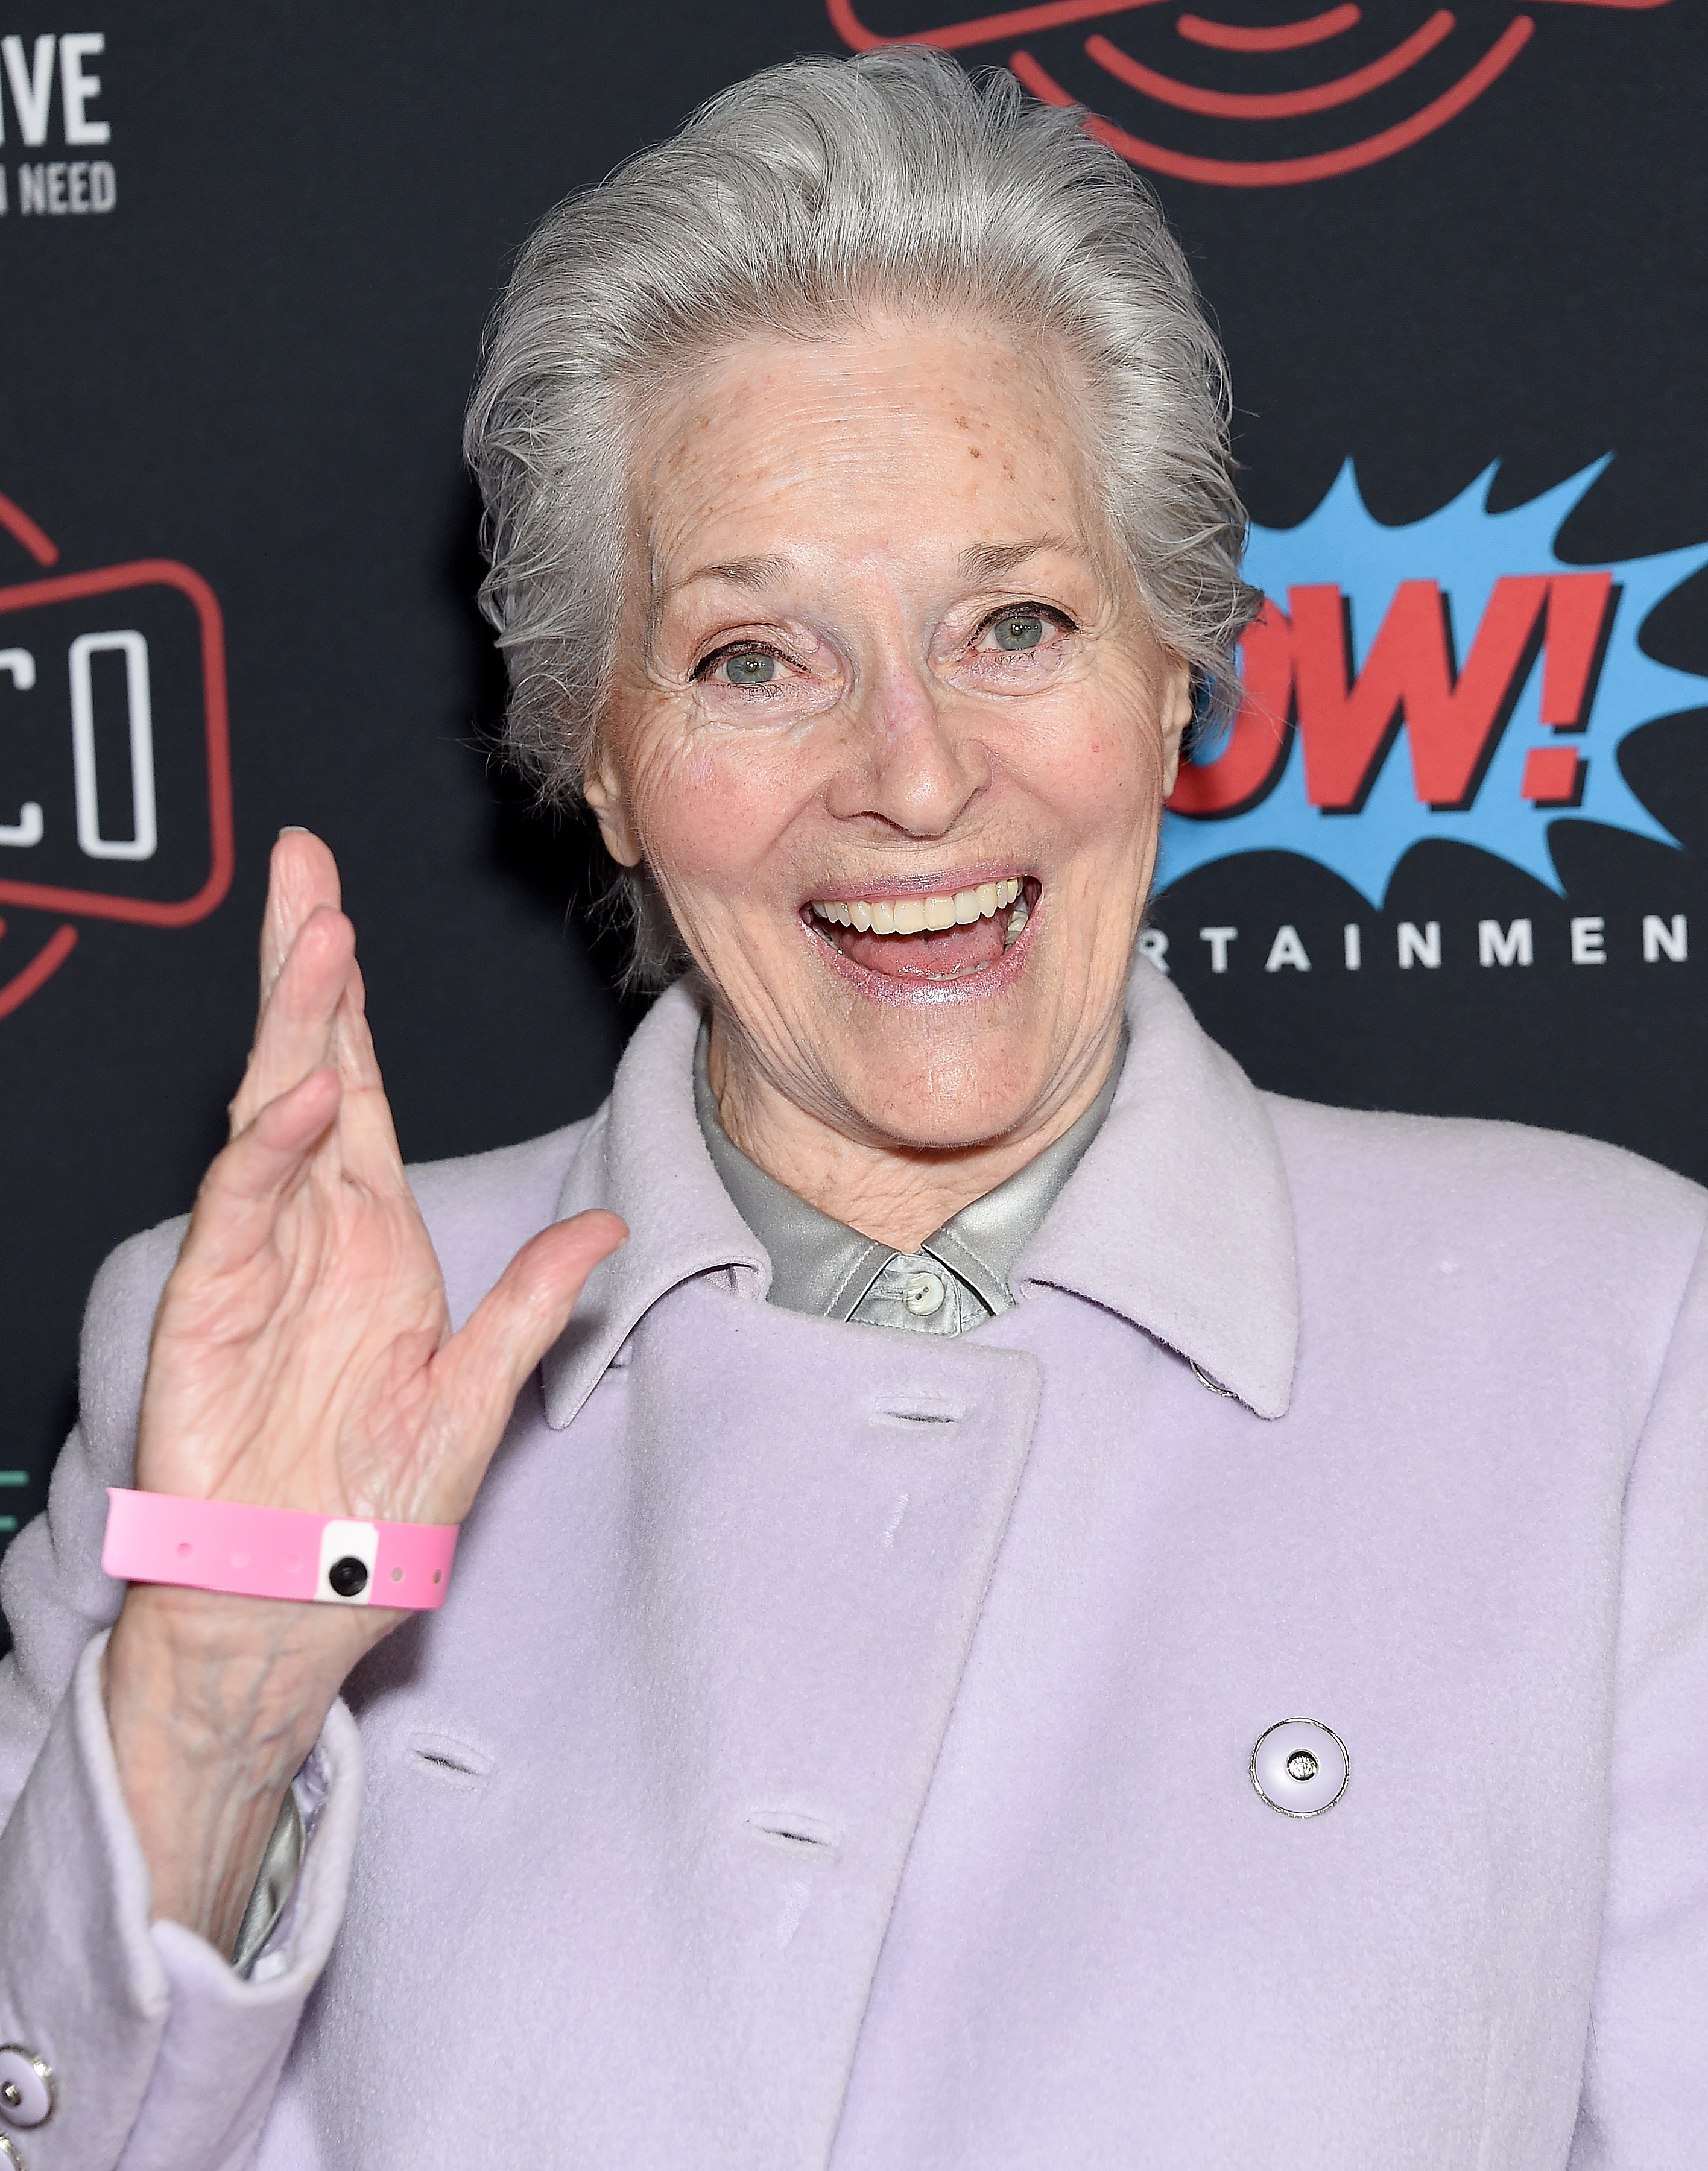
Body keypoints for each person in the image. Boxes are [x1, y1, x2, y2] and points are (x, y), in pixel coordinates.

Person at [0, 49, 1704, 2171]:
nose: (911, 774)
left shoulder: (1620, 1344)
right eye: (750, 661)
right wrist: (219, 1709)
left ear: (1172, 670)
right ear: (600, 757)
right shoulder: (247, 1377)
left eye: (1016, 624)